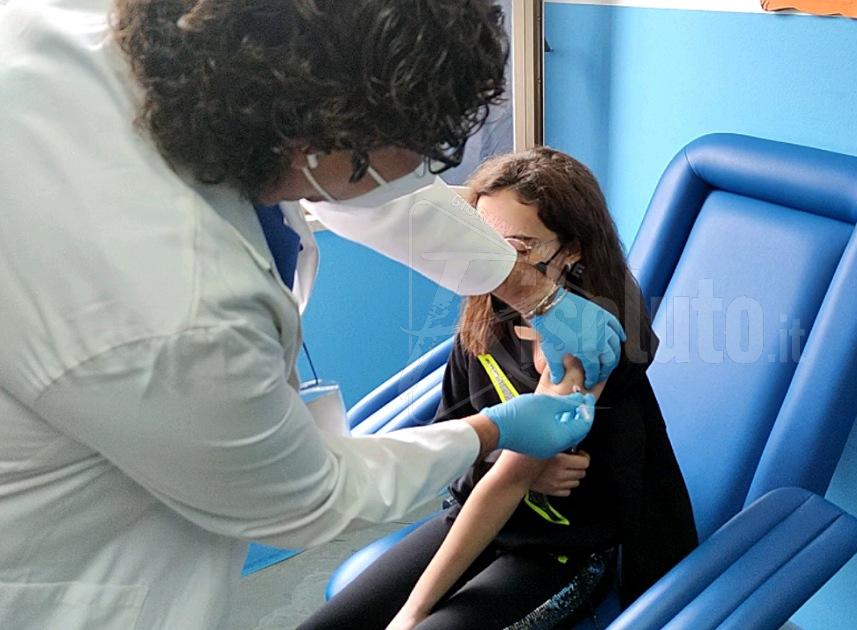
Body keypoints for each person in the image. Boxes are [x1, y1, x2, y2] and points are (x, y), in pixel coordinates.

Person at [0, 1, 622, 628]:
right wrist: (488, 433)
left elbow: (375, 193)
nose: (421, 174)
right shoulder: (182, 307)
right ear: (318, 137)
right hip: (66, 562)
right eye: (416, 149)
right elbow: (307, 497)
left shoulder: (185, 75)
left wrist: (529, 290)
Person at [300, 148, 698, 630]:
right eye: (484, 241)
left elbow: (505, 484)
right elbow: (461, 439)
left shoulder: (586, 343)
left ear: (572, 250)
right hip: (476, 518)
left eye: (519, 248)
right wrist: (508, 459)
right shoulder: (489, 309)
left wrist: (412, 611)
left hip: (555, 553)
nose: (497, 264)